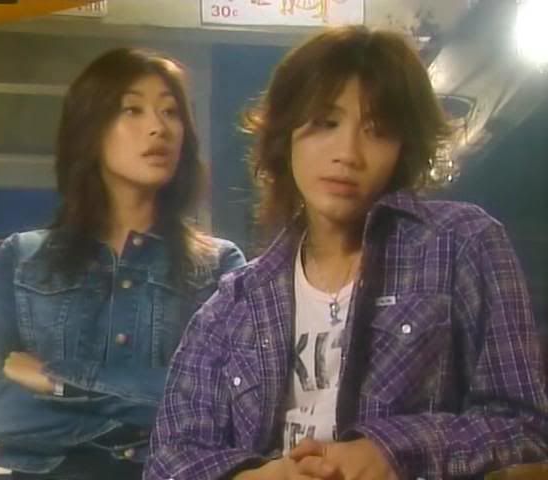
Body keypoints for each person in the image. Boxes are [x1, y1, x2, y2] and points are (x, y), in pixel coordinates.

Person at [145, 25, 548, 480]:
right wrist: (259, 476)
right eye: (325, 123)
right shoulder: (235, 302)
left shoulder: (461, 243)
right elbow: (169, 458)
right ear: (286, 134)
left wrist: (392, 450)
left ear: (404, 147)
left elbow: (525, 428)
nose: (348, 153)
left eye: (378, 130)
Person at [0, 48, 245, 480]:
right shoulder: (24, 258)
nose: (158, 127)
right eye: (133, 109)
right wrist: (138, 428)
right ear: (90, 129)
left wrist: (62, 382)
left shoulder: (218, 265)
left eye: (171, 112)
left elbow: (221, 406)